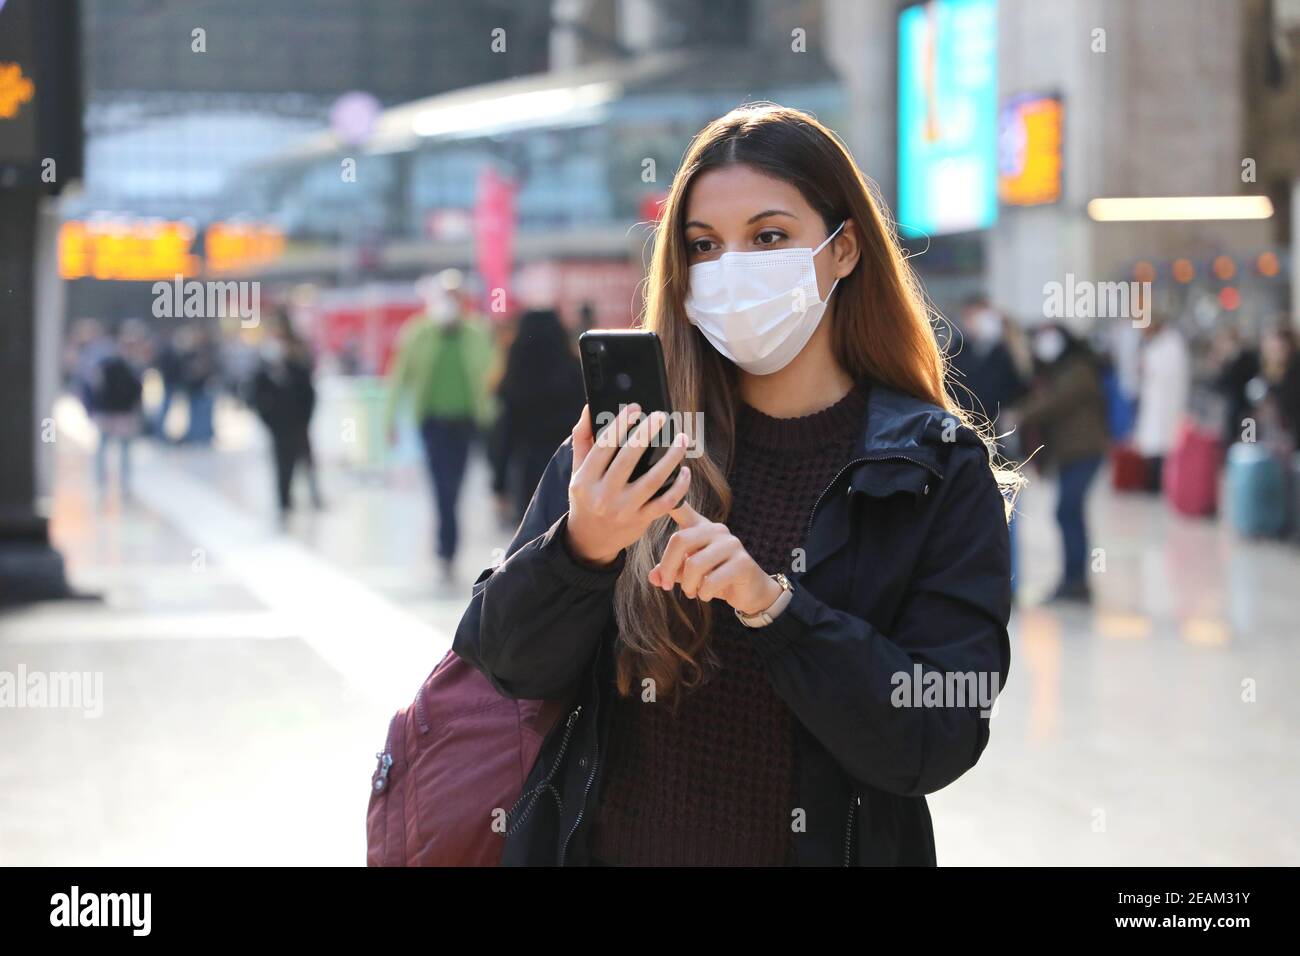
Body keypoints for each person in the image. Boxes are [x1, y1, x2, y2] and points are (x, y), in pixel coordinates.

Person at [452, 103, 1012, 867]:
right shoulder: (633, 445)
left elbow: (938, 735)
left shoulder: (930, 469)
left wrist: (775, 607)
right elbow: (504, 667)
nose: (732, 269)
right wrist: (580, 551)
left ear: (844, 250)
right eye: (704, 247)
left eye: (770, 236)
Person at [385, 269, 497, 579]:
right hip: (432, 422)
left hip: (466, 421)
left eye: (456, 296)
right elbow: (399, 377)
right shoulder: (419, 332)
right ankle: (446, 544)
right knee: (441, 484)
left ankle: (448, 540)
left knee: (456, 483)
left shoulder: (475, 332)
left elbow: (490, 373)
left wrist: (493, 416)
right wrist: (391, 419)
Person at [1013, 323, 1110, 603]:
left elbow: (1055, 403)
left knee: (1067, 511)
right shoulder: (1058, 370)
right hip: (1071, 453)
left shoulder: (1078, 368)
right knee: (1069, 512)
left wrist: (1019, 415)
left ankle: (1076, 581)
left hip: (1085, 451)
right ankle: (1074, 580)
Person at [496, 309, 586, 524]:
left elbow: (506, 432)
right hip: (570, 463)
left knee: (532, 537)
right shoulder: (574, 372)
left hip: (529, 467)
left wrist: (499, 483)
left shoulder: (516, 375)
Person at [251, 310, 322, 526]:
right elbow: (257, 396)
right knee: (282, 463)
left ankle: (314, 495)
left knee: (306, 458)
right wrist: (269, 420)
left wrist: (305, 418)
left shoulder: (297, 360)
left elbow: (308, 392)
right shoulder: (264, 366)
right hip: (278, 424)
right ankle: (284, 501)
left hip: (298, 422)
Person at [85, 320, 148, 503]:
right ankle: (101, 486)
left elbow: (138, 391)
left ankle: (124, 486)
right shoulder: (107, 363)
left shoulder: (135, 366)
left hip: (124, 414)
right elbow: (95, 388)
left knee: (124, 451)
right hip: (108, 413)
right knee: (104, 449)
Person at [947, 294, 1028, 431]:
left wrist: (1009, 337)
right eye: (969, 317)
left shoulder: (1005, 352)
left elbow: (1021, 382)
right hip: (962, 425)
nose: (974, 322)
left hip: (997, 429)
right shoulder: (954, 353)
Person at [1132, 315, 1190, 491]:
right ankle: (1152, 480)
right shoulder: (1155, 344)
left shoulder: (1172, 343)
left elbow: (1169, 373)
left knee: (1164, 443)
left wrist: (1148, 366)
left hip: (1167, 402)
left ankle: (1160, 482)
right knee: (1153, 443)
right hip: (1155, 400)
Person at [1208, 325, 1259, 449]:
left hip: (1247, 413)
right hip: (1231, 415)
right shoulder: (1226, 363)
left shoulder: (1246, 358)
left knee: (1248, 448)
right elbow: (1218, 387)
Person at [1260, 323, 1300, 451]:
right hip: (1275, 441)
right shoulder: (1266, 373)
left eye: (1280, 347)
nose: (1276, 351)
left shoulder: (1295, 370)